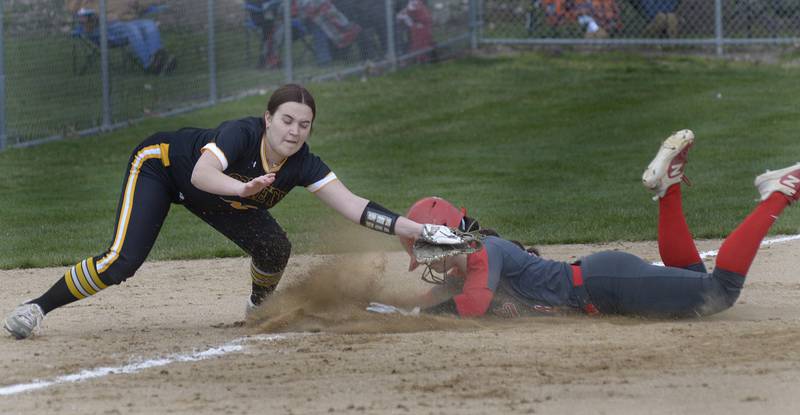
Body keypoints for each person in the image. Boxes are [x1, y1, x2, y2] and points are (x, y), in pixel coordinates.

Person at [2, 84, 464, 340]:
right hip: (162, 168)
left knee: (274, 247)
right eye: (286, 120)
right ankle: (37, 308)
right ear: (267, 119)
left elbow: (354, 206)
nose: (295, 130)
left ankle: (258, 308)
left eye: (304, 124)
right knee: (124, 260)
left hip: (222, 195)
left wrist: (416, 228)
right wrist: (245, 188)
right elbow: (203, 175)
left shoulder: (304, 164)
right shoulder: (239, 135)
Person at [394, 130, 800, 318]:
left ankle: (778, 192)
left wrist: (417, 319)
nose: (430, 261)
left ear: (447, 237)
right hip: (604, 281)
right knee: (687, 276)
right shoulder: (470, 269)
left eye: (427, 250)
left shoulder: (484, 252)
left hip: (607, 285)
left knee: (719, 292)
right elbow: (440, 302)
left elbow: (472, 305)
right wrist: (394, 311)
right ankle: (668, 188)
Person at [67, 0, 177, 75]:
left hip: (128, 22)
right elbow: (72, 8)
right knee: (132, 29)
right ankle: (149, 64)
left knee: (149, 25)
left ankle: (158, 58)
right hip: (103, 29)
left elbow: (140, 3)